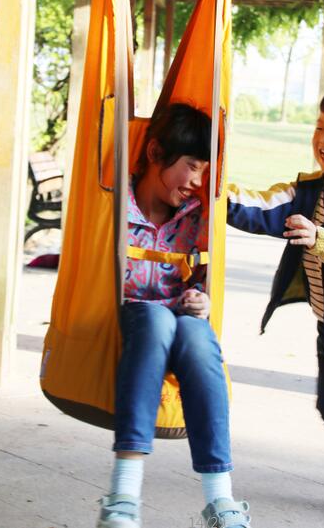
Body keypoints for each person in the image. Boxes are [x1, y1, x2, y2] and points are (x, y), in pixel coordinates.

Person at [97, 103, 251, 528]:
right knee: (156, 319)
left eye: (205, 170)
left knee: (199, 336)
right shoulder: (111, 204)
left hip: (179, 325)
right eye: (190, 166)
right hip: (131, 316)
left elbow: (202, 279)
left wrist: (200, 300)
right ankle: (123, 493)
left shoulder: (198, 216)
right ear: (154, 153)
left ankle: (221, 500)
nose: (198, 182)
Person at [227, 86, 324, 524]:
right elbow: (258, 206)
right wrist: (210, 191)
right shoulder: (307, 189)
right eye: (319, 127)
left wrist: (321, 236)